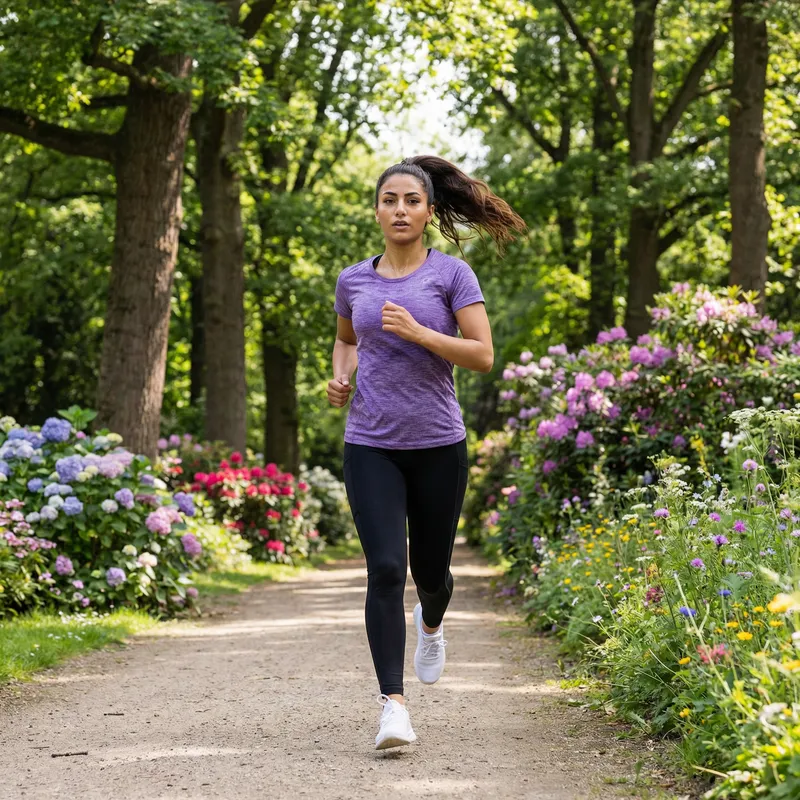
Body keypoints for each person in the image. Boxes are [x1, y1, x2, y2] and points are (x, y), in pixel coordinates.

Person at [327, 155, 525, 750]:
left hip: (439, 443)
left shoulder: (453, 275)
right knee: (386, 568)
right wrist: (340, 378)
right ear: (378, 210)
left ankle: (431, 621)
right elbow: (345, 342)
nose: (400, 210)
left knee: (430, 573)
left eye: (412, 201)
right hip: (371, 444)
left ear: (429, 211)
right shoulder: (352, 280)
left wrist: (418, 333)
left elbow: (483, 354)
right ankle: (393, 706)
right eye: (390, 200)